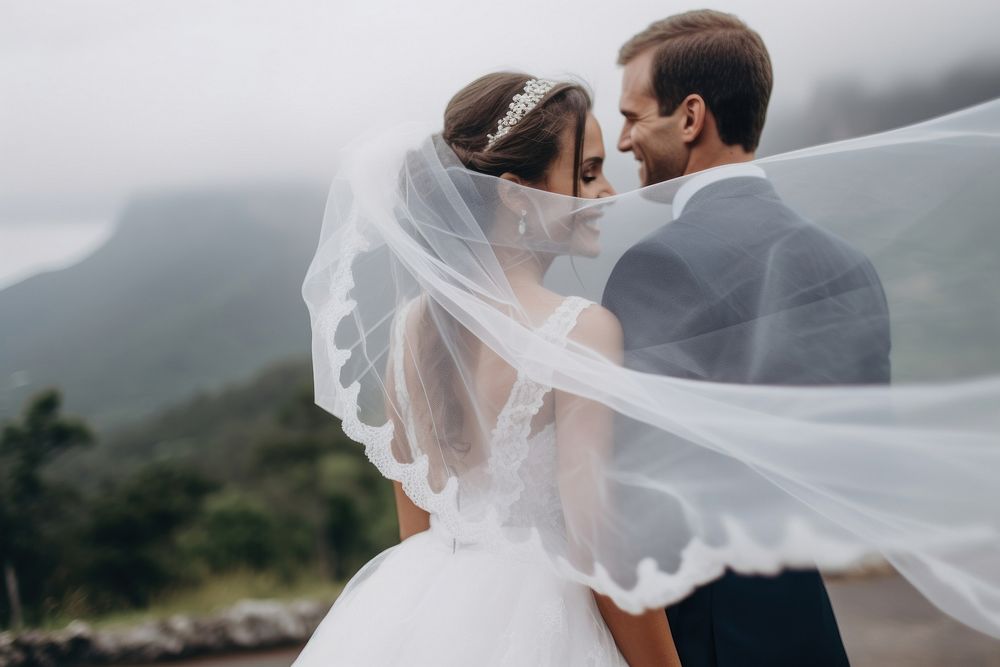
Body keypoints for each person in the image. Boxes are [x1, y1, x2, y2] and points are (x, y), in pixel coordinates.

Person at [293, 72, 680, 666]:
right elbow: (596, 542)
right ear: (516, 194)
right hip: (543, 627)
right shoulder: (579, 329)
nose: (606, 193)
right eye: (586, 172)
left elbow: (415, 527)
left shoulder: (411, 331)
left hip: (419, 612)